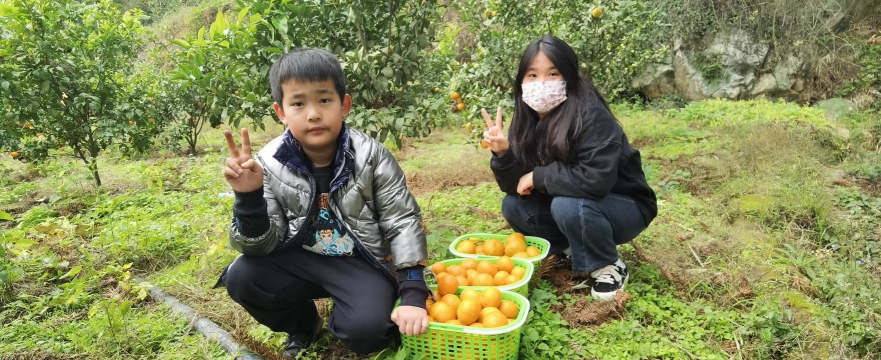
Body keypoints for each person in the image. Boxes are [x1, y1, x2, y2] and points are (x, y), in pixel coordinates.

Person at [216, 48, 430, 358]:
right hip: (300, 258)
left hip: (360, 261)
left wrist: (413, 290)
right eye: (299, 103)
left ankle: (355, 315)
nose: (313, 114)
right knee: (242, 278)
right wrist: (249, 198)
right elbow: (259, 246)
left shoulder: (372, 156)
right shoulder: (267, 165)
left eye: (324, 100)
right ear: (281, 111)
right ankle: (304, 324)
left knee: (367, 331)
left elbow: (402, 220)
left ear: (344, 105)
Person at [482, 35, 657, 300]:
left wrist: (539, 175)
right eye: (532, 75)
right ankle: (570, 249)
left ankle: (609, 264)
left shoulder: (591, 115)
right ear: (521, 81)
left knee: (568, 204)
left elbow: (595, 181)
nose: (542, 83)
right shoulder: (526, 118)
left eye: (553, 73)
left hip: (623, 206)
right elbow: (516, 187)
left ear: (569, 76)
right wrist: (504, 154)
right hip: (574, 204)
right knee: (513, 205)